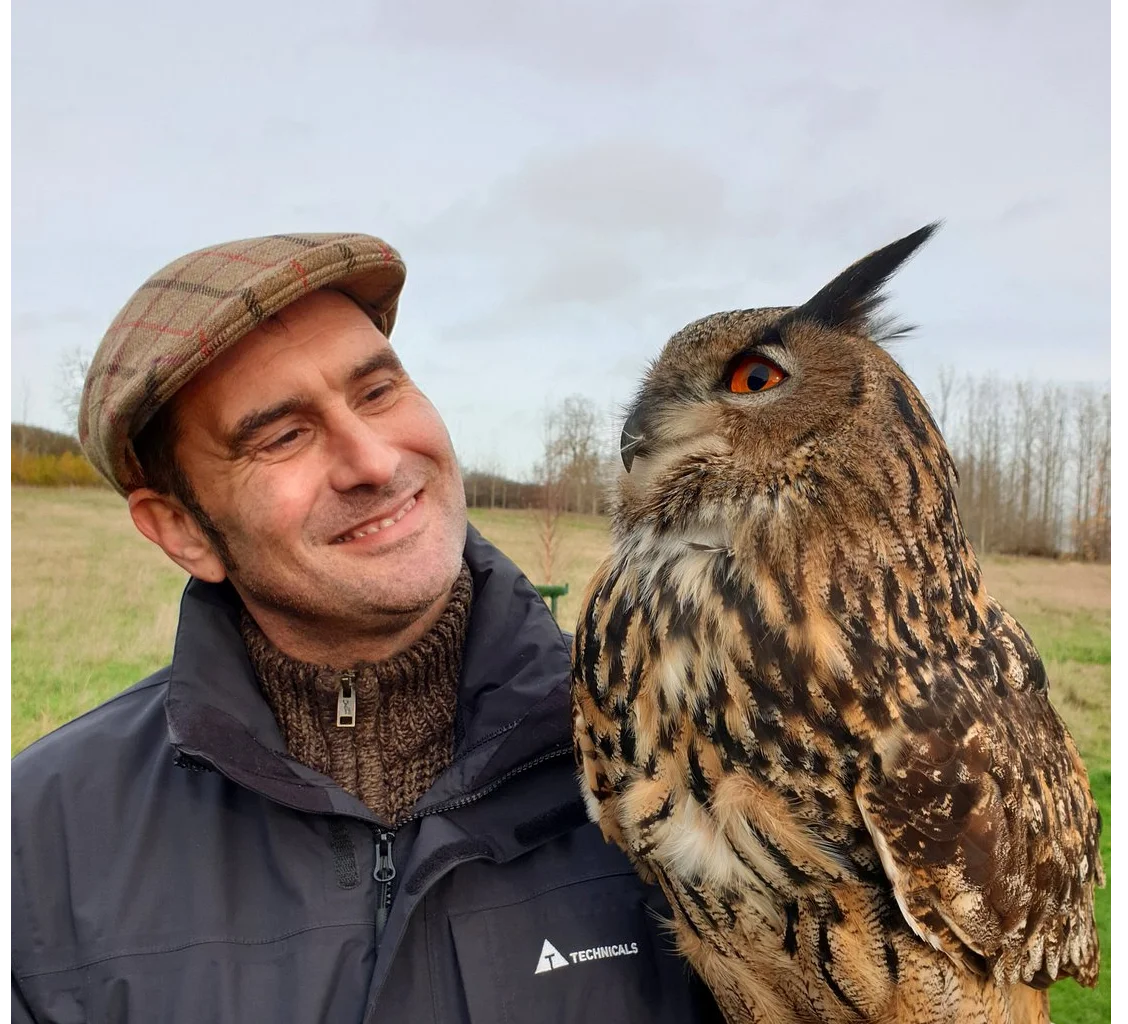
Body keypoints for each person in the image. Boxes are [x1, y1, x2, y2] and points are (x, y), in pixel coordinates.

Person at [8, 233, 720, 1023]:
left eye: (378, 391)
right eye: (283, 436)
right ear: (182, 531)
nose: (374, 461)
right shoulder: (42, 845)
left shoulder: (696, 758)